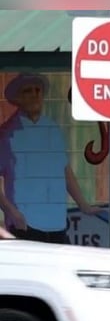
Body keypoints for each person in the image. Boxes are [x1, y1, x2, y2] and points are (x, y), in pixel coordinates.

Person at [0, 72, 99, 243]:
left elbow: (65, 170)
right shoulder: (7, 134)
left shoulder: (53, 129)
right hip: (25, 225)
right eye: (27, 91)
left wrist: (84, 205)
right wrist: (12, 213)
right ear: (17, 98)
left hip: (57, 223)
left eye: (38, 90)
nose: (34, 95)